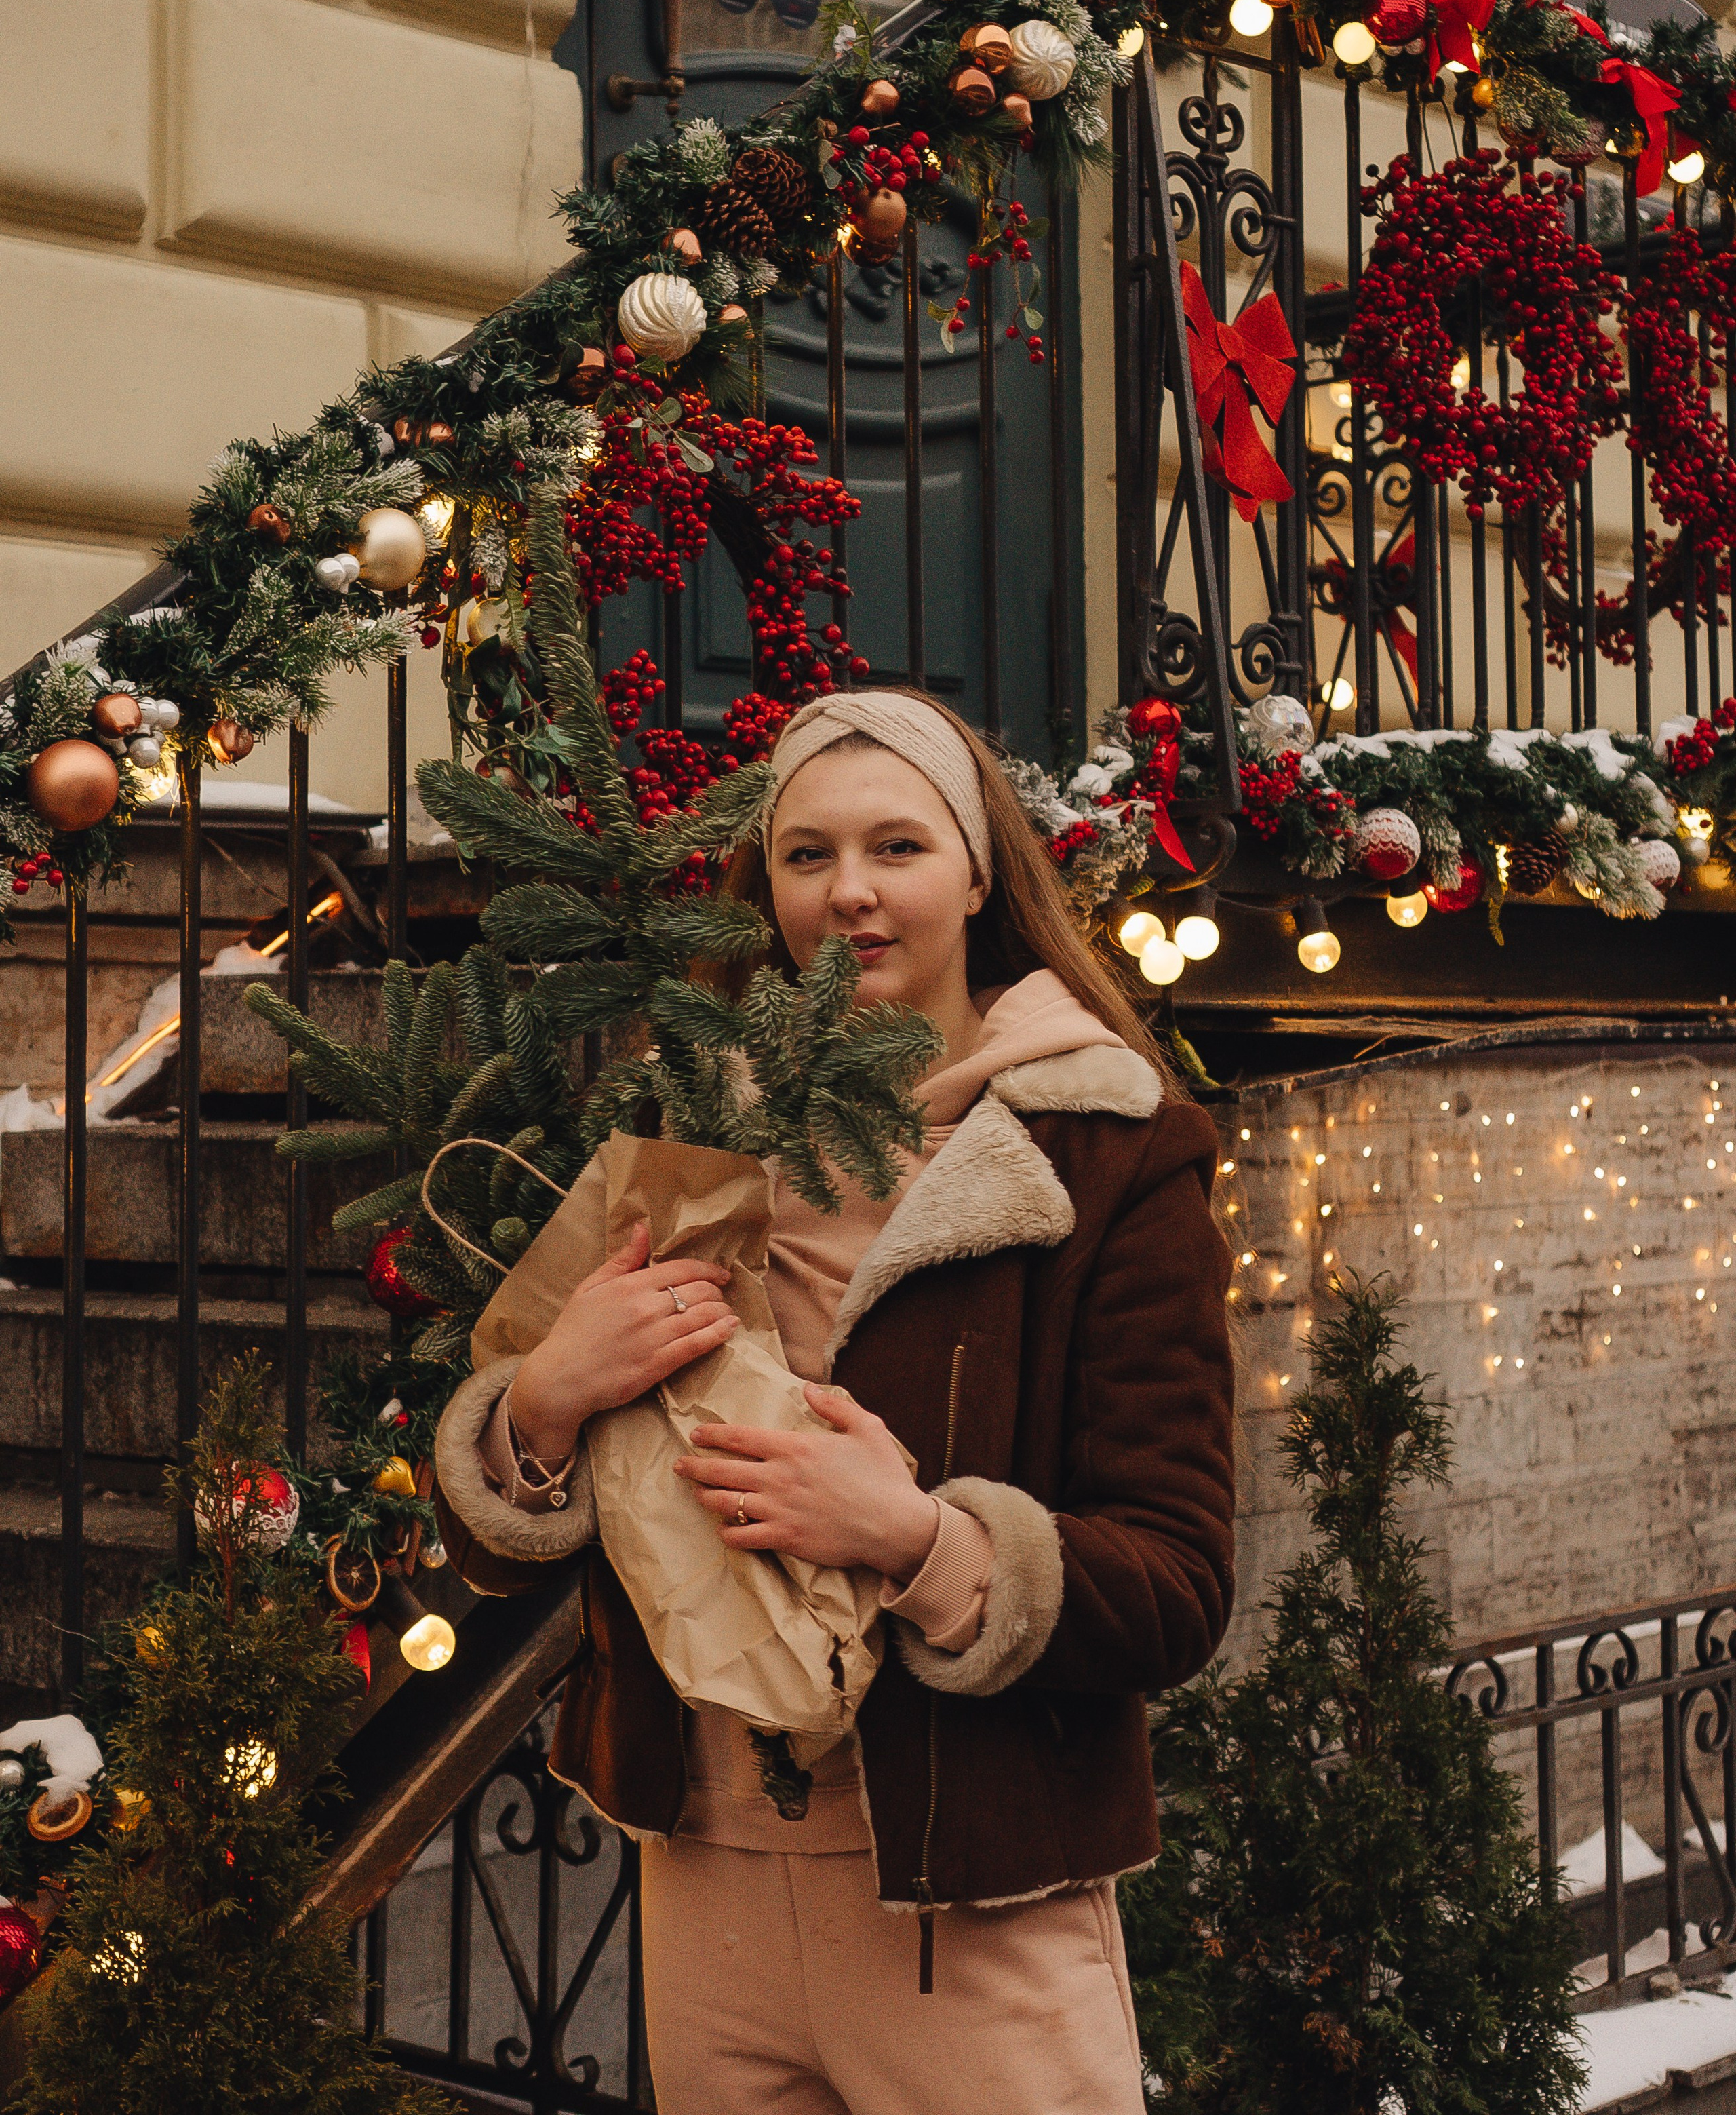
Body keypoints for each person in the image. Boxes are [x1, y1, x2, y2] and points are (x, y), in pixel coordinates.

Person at [433, 688, 1236, 2115]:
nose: (848, 893)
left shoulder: (1111, 1149)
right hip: (708, 1888)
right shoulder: (687, 1141)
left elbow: (1177, 1582)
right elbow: (498, 1551)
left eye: (896, 848)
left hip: (973, 1913)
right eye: (805, 856)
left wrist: (921, 1543)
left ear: (979, 872)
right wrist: (542, 1405)